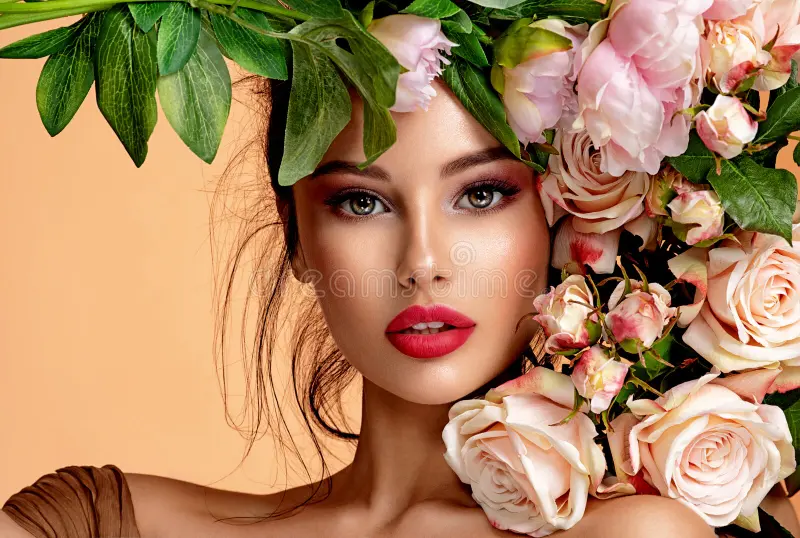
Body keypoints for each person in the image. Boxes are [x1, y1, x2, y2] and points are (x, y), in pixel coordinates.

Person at [3, 72, 798, 538]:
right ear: (297, 234)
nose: (423, 264)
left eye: (481, 194)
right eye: (360, 203)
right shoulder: (101, 522)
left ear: (566, 218)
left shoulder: (637, 536)